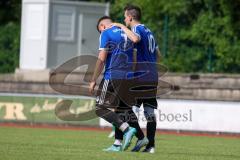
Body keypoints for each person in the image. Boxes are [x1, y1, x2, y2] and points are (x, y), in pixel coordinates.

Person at [111, 4, 162, 153]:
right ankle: (150, 146)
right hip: (152, 75)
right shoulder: (149, 31)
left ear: (131, 17)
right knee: (149, 113)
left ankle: (136, 138)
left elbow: (134, 39)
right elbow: (158, 55)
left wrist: (120, 26)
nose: (124, 19)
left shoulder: (137, 29)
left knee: (122, 107)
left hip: (141, 76)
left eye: (125, 17)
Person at [89, 16, 144, 152]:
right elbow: (135, 56)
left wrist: (93, 80)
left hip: (112, 76)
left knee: (100, 108)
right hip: (128, 77)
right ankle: (122, 143)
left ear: (102, 26)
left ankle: (126, 129)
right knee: (122, 110)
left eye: (99, 30)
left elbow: (101, 59)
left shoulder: (106, 33)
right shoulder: (128, 32)